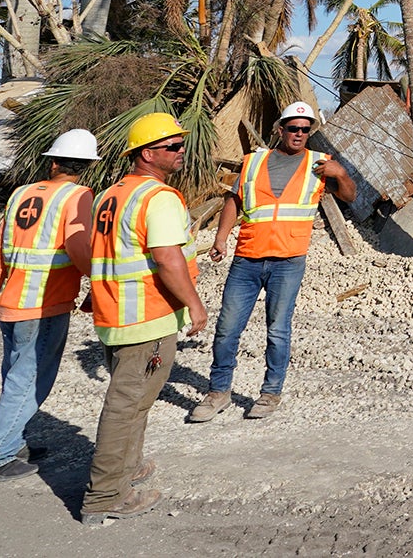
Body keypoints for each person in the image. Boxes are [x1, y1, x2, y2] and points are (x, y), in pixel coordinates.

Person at [189, 101, 354, 424]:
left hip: (288, 261)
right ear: (280, 130)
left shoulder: (321, 164)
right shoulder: (254, 161)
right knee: (227, 329)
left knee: (278, 330)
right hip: (247, 258)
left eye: (306, 129)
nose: (300, 134)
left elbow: (350, 196)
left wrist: (342, 174)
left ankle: (270, 392)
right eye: (294, 128)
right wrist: (221, 238)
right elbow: (234, 200)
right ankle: (218, 392)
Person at [82, 110, 207, 526]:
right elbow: (168, 259)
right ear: (148, 154)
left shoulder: (111, 194)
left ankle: (128, 467)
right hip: (146, 317)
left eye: (180, 144)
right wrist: (194, 304)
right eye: (172, 146)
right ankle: (105, 496)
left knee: (134, 402)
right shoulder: (159, 198)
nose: (181, 151)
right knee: (126, 406)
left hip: (114, 313)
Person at [0, 128, 98, 482]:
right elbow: (79, 248)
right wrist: (99, 280)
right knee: (28, 380)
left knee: (14, 376)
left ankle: (13, 441)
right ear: (87, 166)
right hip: (44, 303)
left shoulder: (21, 193)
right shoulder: (78, 196)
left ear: (53, 162)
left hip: (10, 300)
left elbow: (0, 248)